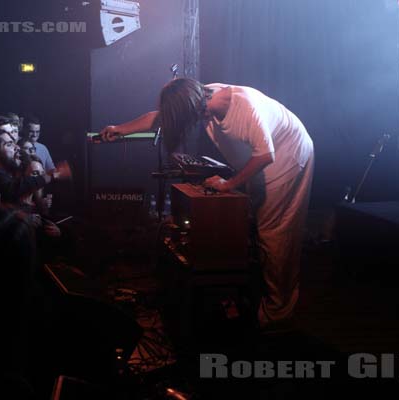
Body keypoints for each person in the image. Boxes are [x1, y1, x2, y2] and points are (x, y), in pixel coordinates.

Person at [100, 78, 314, 330]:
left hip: (287, 161)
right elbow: (159, 117)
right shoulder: (204, 99)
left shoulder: (244, 107)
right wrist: (120, 128)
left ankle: (278, 314)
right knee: (255, 231)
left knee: (274, 234)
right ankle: (260, 295)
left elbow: (267, 154)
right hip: (262, 162)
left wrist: (229, 183)